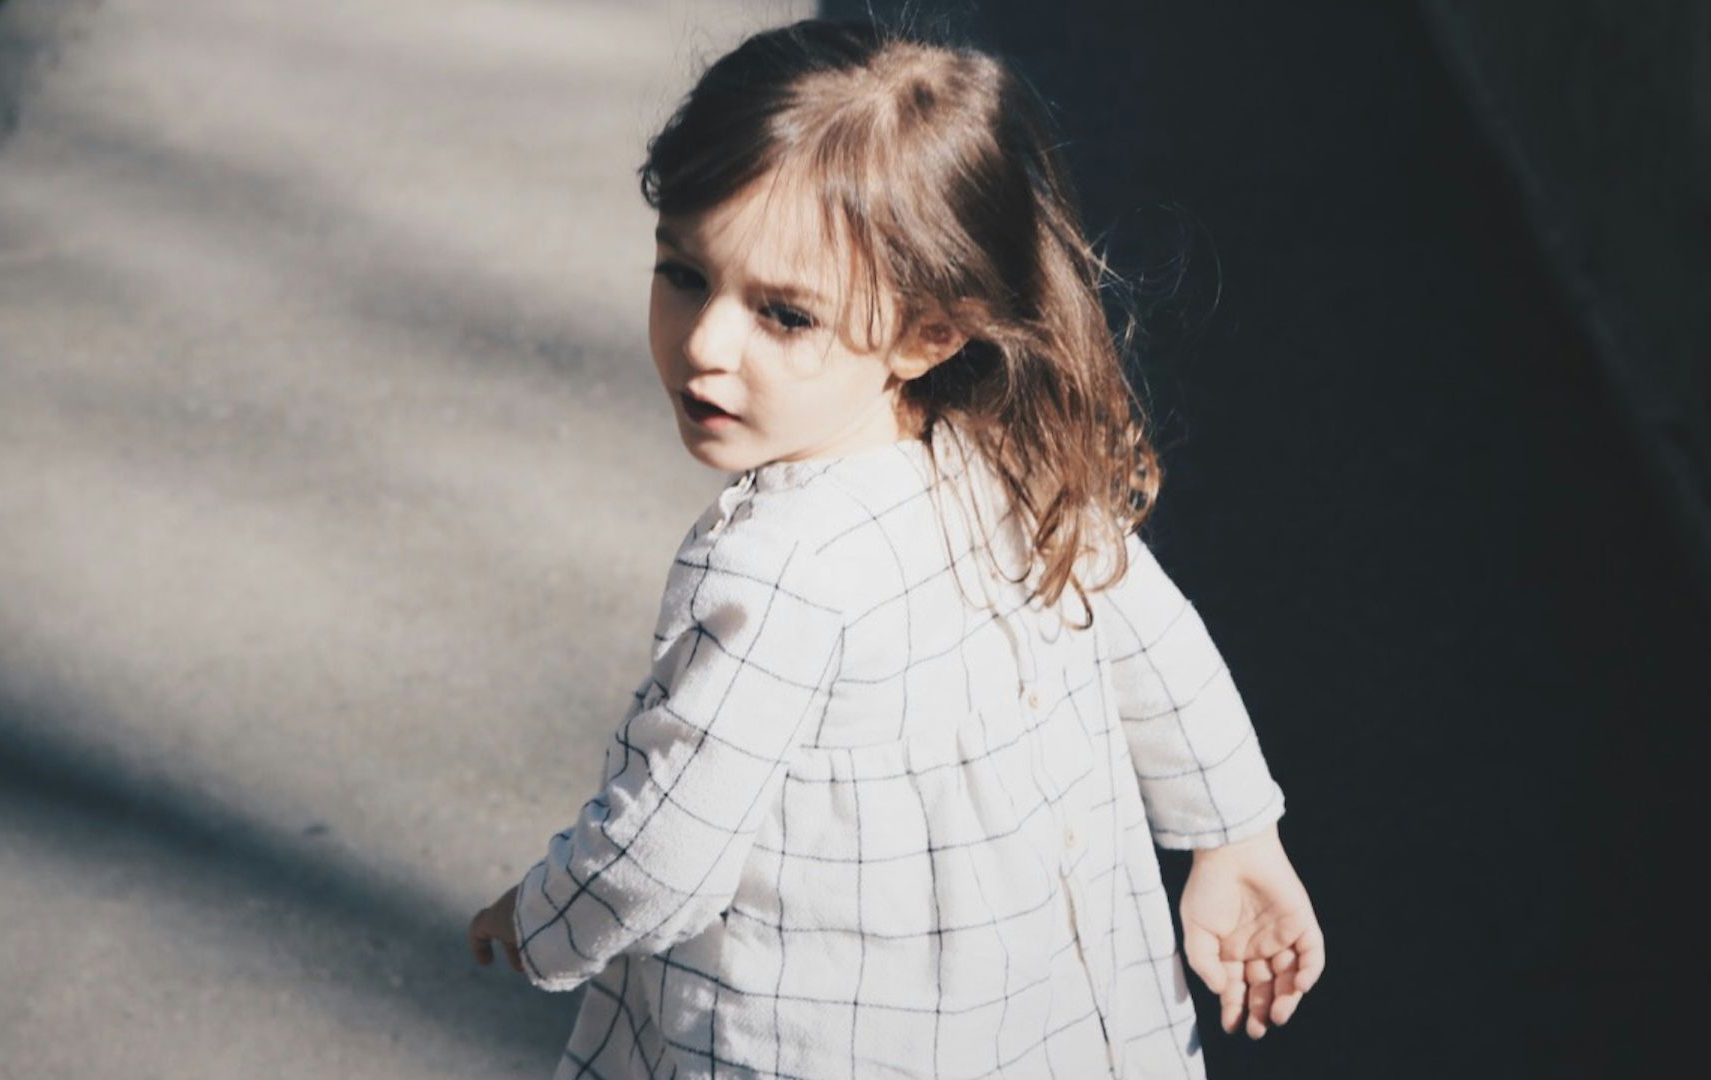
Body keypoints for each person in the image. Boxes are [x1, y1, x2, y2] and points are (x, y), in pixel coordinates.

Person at [468, 16, 1324, 1079]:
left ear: (931, 332)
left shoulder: (772, 564)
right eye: (684, 275)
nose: (705, 345)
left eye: (785, 314)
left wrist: (544, 916)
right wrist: (1233, 832)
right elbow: (1152, 642)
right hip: (1048, 1025)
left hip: (823, 1035)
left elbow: (668, 849)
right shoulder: (1006, 462)